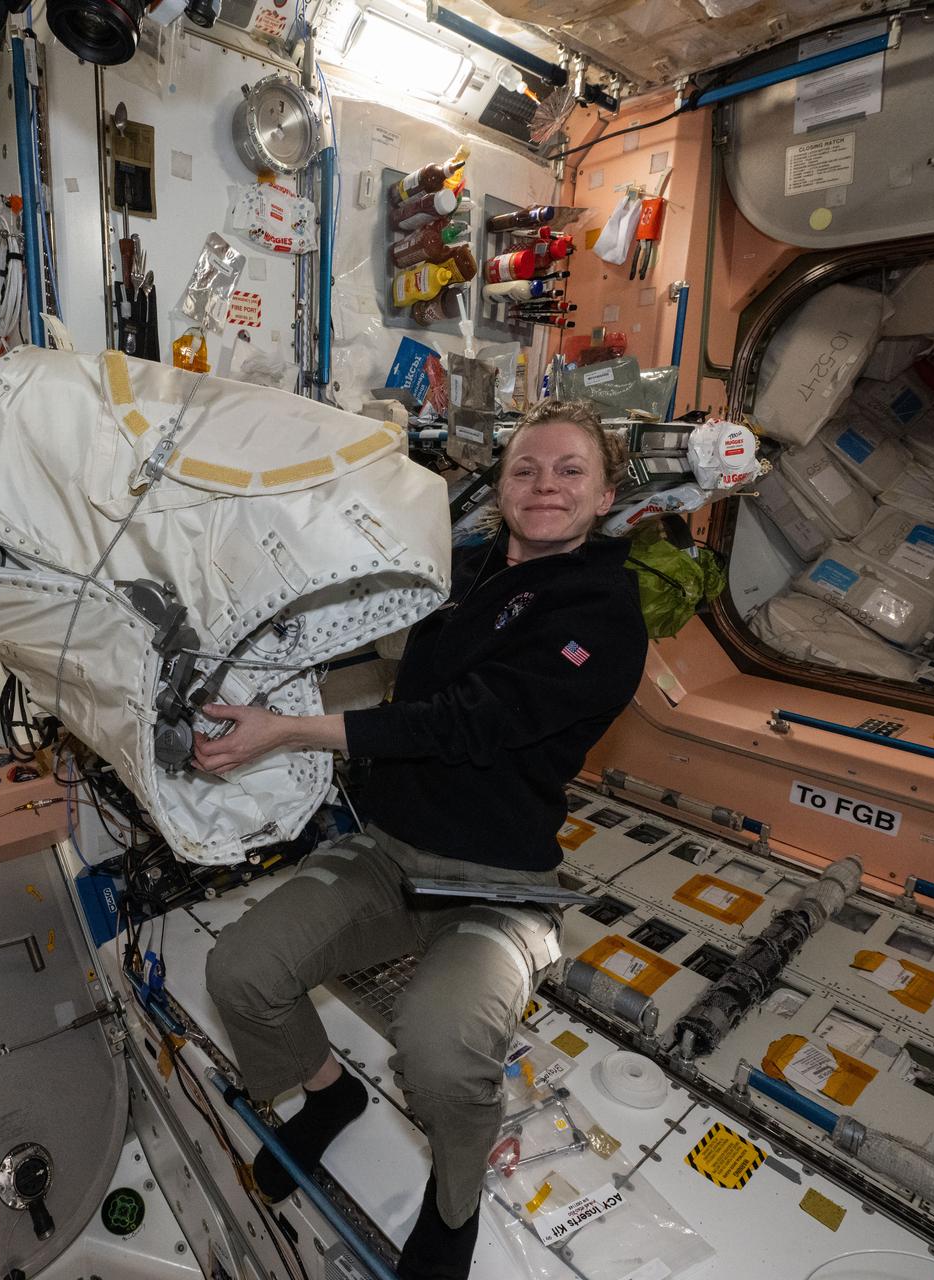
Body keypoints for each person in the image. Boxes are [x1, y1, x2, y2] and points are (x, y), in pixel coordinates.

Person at [196, 400, 650, 1279]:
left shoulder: (605, 614)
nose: (545, 485)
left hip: (504, 886)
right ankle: (329, 1097)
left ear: (604, 497)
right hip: (393, 853)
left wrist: (288, 731)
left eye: (569, 472)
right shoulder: (470, 568)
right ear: (501, 487)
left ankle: (453, 1205)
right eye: (526, 469)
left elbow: (463, 723)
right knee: (240, 971)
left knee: (439, 1052)